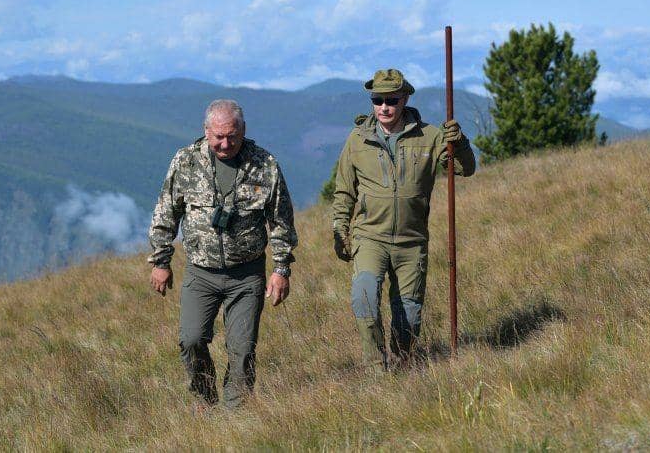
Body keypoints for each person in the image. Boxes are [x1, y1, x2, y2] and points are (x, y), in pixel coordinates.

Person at [148, 99, 297, 408]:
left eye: (232, 136)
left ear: (243, 131)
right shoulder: (186, 161)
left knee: (242, 349)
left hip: (247, 274)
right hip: (200, 272)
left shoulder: (264, 164)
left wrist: (281, 270)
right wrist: (161, 261)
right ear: (206, 131)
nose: (225, 143)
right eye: (218, 137)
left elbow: (281, 221)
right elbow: (166, 212)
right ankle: (206, 402)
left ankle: (236, 414)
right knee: (191, 340)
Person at [332, 68, 475, 370]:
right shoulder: (358, 140)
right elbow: (344, 190)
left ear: (405, 98)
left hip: (412, 242)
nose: (384, 107)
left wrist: (459, 142)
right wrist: (340, 229)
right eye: (378, 99)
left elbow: (463, 169)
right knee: (365, 301)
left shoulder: (431, 137)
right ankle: (375, 369)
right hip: (370, 238)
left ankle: (402, 363)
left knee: (408, 315)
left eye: (391, 100)